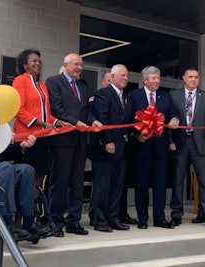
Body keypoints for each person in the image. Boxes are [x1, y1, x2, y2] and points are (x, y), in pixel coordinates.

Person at [46, 53, 100, 237]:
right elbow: (56, 109)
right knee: (59, 182)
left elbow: (86, 111)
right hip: (62, 141)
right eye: (76, 64)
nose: (79, 68)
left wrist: (93, 121)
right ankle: (55, 221)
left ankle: (73, 221)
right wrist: (76, 122)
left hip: (80, 141)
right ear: (65, 64)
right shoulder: (54, 82)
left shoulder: (82, 87)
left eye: (81, 65)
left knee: (77, 182)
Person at [126, 66, 179, 229]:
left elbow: (173, 114)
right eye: (153, 78)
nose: (157, 81)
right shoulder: (134, 95)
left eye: (158, 78)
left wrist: (175, 119)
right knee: (141, 183)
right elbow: (128, 119)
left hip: (161, 147)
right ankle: (142, 218)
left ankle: (159, 218)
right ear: (145, 80)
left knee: (160, 184)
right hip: (141, 146)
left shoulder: (165, 96)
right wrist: (135, 135)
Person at [13, 49, 71, 189]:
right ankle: (24, 208)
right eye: (34, 61)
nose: (38, 63)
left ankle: (34, 205)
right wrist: (41, 123)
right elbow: (18, 109)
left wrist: (58, 122)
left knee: (40, 173)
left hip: (44, 137)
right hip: (28, 137)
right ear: (25, 65)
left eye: (39, 61)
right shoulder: (20, 81)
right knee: (28, 174)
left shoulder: (43, 86)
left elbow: (47, 113)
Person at [169, 67, 205, 228]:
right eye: (190, 76)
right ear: (184, 78)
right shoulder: (174, 95)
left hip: (200, 143)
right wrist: (171, 139)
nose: (193, 79)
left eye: (196, 77)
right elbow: (169, 117)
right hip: (181, 142)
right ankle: (176, 214)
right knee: (178, 181)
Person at [88, 64, 131, 232]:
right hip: (106, 148)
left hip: (122, 148)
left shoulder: (124, 96)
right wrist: (108, 141)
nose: (125, 78)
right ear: (112, 77)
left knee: (117, 185)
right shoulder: (103, 94)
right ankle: (100, 220)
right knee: (102, 186)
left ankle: (113, 218)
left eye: (126, 75)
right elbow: (102, 118)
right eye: (122, 75)